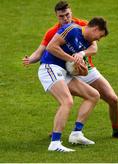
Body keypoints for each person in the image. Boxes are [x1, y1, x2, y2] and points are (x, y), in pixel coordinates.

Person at [23, 0, 118, 140]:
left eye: (67, 14)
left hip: (85, 68)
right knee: (66, 99)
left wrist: (81, 54)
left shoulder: (84, 25)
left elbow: (94, 48)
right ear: (57, 16)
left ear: (71, 12)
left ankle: (116, 131)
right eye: (61, 16)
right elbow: (42, 50)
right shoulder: (52, 32)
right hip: (66, 69)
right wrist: (30, 59)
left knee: (113, 99)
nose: (65, 18)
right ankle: (58, 133)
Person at [38, 17, 108, 152]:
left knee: (93, 95)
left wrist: (80, 64)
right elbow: (51, 47)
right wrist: (72, 59)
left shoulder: (87, 42)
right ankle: (55, 143)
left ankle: (76, 134)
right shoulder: (72, 29)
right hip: (49, 67)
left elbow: (93, 51)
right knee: (67, 101)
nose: (98, 40)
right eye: (99, 36)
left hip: (64, 72)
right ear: (95, 29)